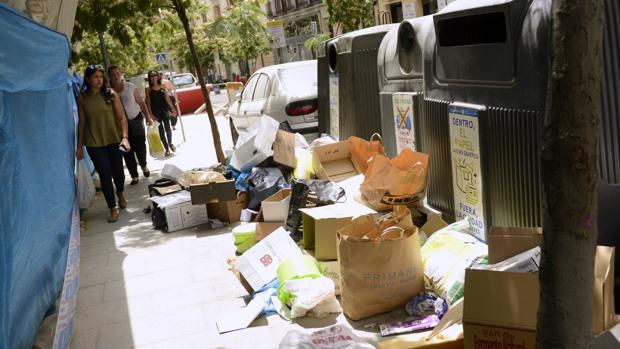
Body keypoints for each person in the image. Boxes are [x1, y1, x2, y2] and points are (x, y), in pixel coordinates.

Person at [76, 64, 130, 223]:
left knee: (118, 174)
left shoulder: (110, 94)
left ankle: (119, 192)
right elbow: (82, 123)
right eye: (95, 77)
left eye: (101, 77)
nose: (99, 80)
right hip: (94, 142)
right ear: (88, 79)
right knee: (105, 175)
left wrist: (125, 137)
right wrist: (79, 146)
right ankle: (112, 208)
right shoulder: (83, 98)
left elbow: (122, 118)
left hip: (114, 139)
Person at [109, 65, 155, 185]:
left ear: (121, 74)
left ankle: (144, 165)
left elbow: (141, 103)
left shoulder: (130, 87)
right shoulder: (109, 92)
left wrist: (148, 117)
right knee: (126, 150)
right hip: (120, 124)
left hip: (135, 119)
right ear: (109, 77)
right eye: (113, 75)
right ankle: (134, 175)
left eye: (117, 74)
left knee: (140, 146)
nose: (116, 77)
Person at [145, 70, 177, 156]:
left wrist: (173, 109)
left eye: (155, 75)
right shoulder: (148, 89)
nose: (153, 77)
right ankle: (166, 149)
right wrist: (150, 114)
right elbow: (148, 103)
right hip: (156, 113)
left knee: (168, 129)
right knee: (161, 131)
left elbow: (167, 99)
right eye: (151, 76)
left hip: (165, 111)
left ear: (158, 76)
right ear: (149, 78)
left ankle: (170, 143)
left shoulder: (163, 86)